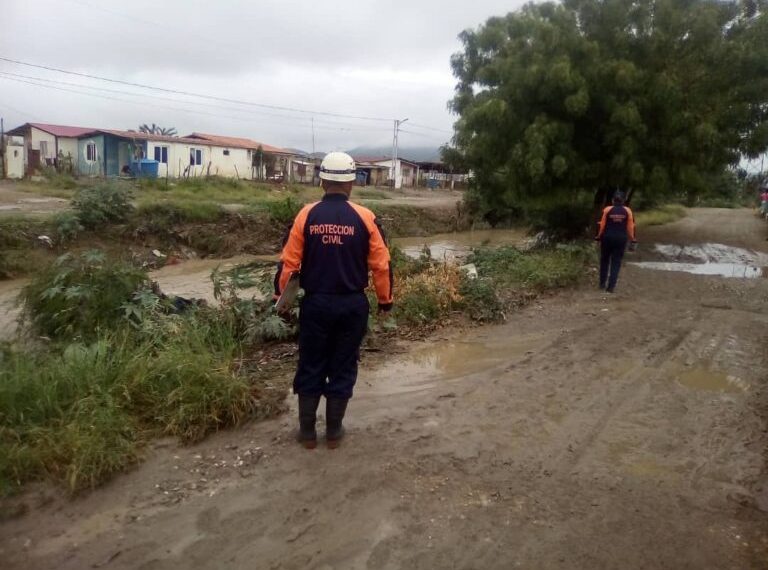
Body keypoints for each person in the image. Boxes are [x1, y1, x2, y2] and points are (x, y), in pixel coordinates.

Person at [275, 152, 393, 449]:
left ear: (322, 181)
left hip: (316, 305)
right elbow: (382, 265)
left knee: (311, 363)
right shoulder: (366, 218)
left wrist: (281, 299)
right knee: (343, 365)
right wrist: (385, 301)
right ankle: (334, 432)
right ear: (351, 182)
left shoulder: (306, 215)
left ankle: (306, 433)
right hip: (352, 306)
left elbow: (288, 264)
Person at [595, 191, 637, 293]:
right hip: (620, 239)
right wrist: (633, 239)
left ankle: (602, 284)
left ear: (613, 199)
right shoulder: (628, 211)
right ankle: (611, 287)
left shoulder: (607, 210)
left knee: (604, 260)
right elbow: (630, 227)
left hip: (607, 238)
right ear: (624, 200)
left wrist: (598, 237)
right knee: (616, 262)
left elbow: (602, 225)